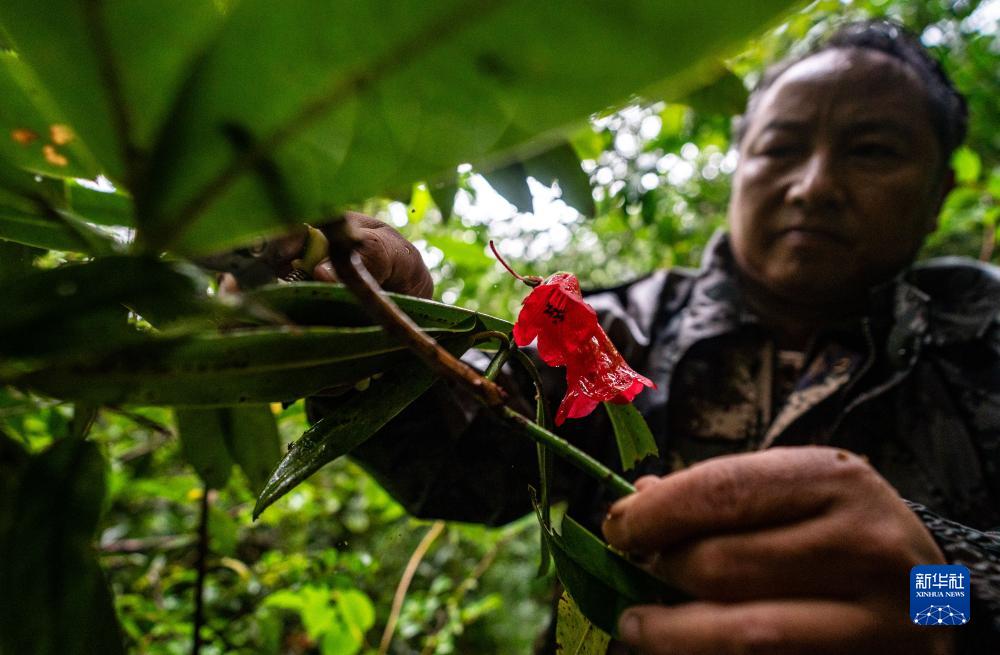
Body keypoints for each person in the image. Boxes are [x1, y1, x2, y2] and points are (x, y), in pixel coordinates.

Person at [226, 20, 1000, 654]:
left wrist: (939, 598)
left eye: (872, 151)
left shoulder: (985, 342)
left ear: (940, 193)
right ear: (740, 163)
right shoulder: (616, 329)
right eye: (781, 147)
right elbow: (464, 458)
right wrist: (376, 331)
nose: (815, 184)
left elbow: (965, 597)